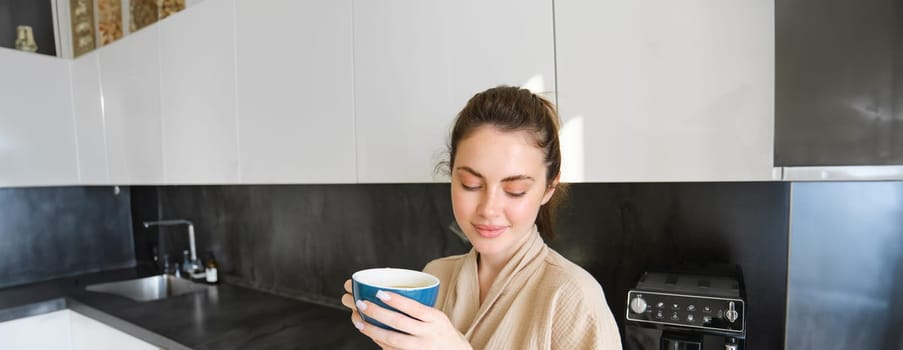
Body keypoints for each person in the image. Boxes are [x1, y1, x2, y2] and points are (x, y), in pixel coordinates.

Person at [341, 86, 622, 349]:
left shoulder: (574, 298)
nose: (489, 208)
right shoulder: (435, 276)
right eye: (471, 184)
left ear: (549, 188)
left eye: (515, 190)